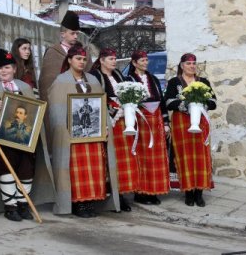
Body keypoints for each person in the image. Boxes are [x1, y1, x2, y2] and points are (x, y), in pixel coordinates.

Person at [0, 48, 54, 222]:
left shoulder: (25, 87)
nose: (3, 71)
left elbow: (35, 112)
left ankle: (22, 204)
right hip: (3, 139)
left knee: (26, 171)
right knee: (7, 172)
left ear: (14, 68)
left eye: (7, 67)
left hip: (25, 139)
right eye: (0, 68)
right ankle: (10, 207)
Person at [47, 46, 111, 218]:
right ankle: (77, 203)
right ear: (69, 60)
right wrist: (65, 128)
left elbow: (101, 105)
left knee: (94, 168)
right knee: (76, 169)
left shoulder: (93, 80)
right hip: (72, 136)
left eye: (84, 59)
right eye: (78, 59)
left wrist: (105, 124)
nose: (81, 62)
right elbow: (56, 110)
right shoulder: (60, 81)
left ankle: (90, 201)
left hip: (92, 134)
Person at [165, 53, 217, 207]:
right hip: (182, 124)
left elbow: (213, 101)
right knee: (185, 155)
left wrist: (200, 105)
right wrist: (186, 106)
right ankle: (188, 192)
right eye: (188, 63)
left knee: (201, 156)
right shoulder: (175, 82)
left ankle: (199, 193)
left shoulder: (203, 82)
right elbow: (168, 101)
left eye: (194, 63)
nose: (192, 66)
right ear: (182, 66)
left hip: (201, 123)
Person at [89, 47, 138, 212]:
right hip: (109, 121)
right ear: (102, 60)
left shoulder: (118, 74)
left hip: (123, 121)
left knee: (123, 158)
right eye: (110, 59)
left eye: (115, 59)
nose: (114, 61)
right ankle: (110, 193)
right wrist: (112, 111)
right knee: (110, 157)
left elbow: (126, 92)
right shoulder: (95, 76)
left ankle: (122, 194)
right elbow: (95, 98)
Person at [126, 50, 170, 206]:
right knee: (142, 157)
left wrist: (165, 123)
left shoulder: (153, 79)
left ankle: (154, 190)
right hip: (140, 121)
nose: (145, 63)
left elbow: (162, 101)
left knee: (156, 158)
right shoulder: (129, 79)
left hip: (156, 121)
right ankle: (141, 192)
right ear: (134, 63)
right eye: (142, 60)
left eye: (146, 60)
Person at [39, 11, 91, 103]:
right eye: (72, 33)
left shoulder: (84, 52)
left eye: (77, 34)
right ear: (63, 34)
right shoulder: (53, 53)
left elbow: (91, 76)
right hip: (60, 101)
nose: (75, 36)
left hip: (82, 99)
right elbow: (46, 83)